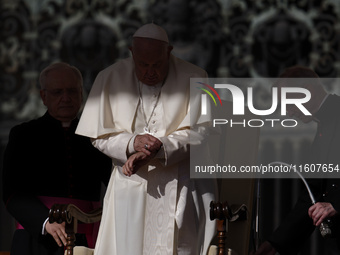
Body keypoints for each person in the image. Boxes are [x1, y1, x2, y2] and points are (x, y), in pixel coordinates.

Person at [75, 23, 217, 255]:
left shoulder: (196, 76)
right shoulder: (109, 78)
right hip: (130, 185)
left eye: (157, 65)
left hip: (180, 182)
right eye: (143, 65)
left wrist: (160, 148)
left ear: (169, 51)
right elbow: (99, 136)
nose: (150, 72)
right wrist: (131, 144)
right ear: (132, 52)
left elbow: (202, 133)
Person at [2, 62, 112, 255]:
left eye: (72, 91)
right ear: (43, 96)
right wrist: (46, 221)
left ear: (81, 94)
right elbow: (12, 194)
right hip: (36, 239)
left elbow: (115, 183)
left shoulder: (97, 138)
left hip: (86, 239)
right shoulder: (24, 135)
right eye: (57, 92)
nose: (66, 98)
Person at [251, 66, 340, 255]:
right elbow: (312, 194)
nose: (288, 112)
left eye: (288, 103)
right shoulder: (324, 125)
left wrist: (335, 205)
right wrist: (276, 244)